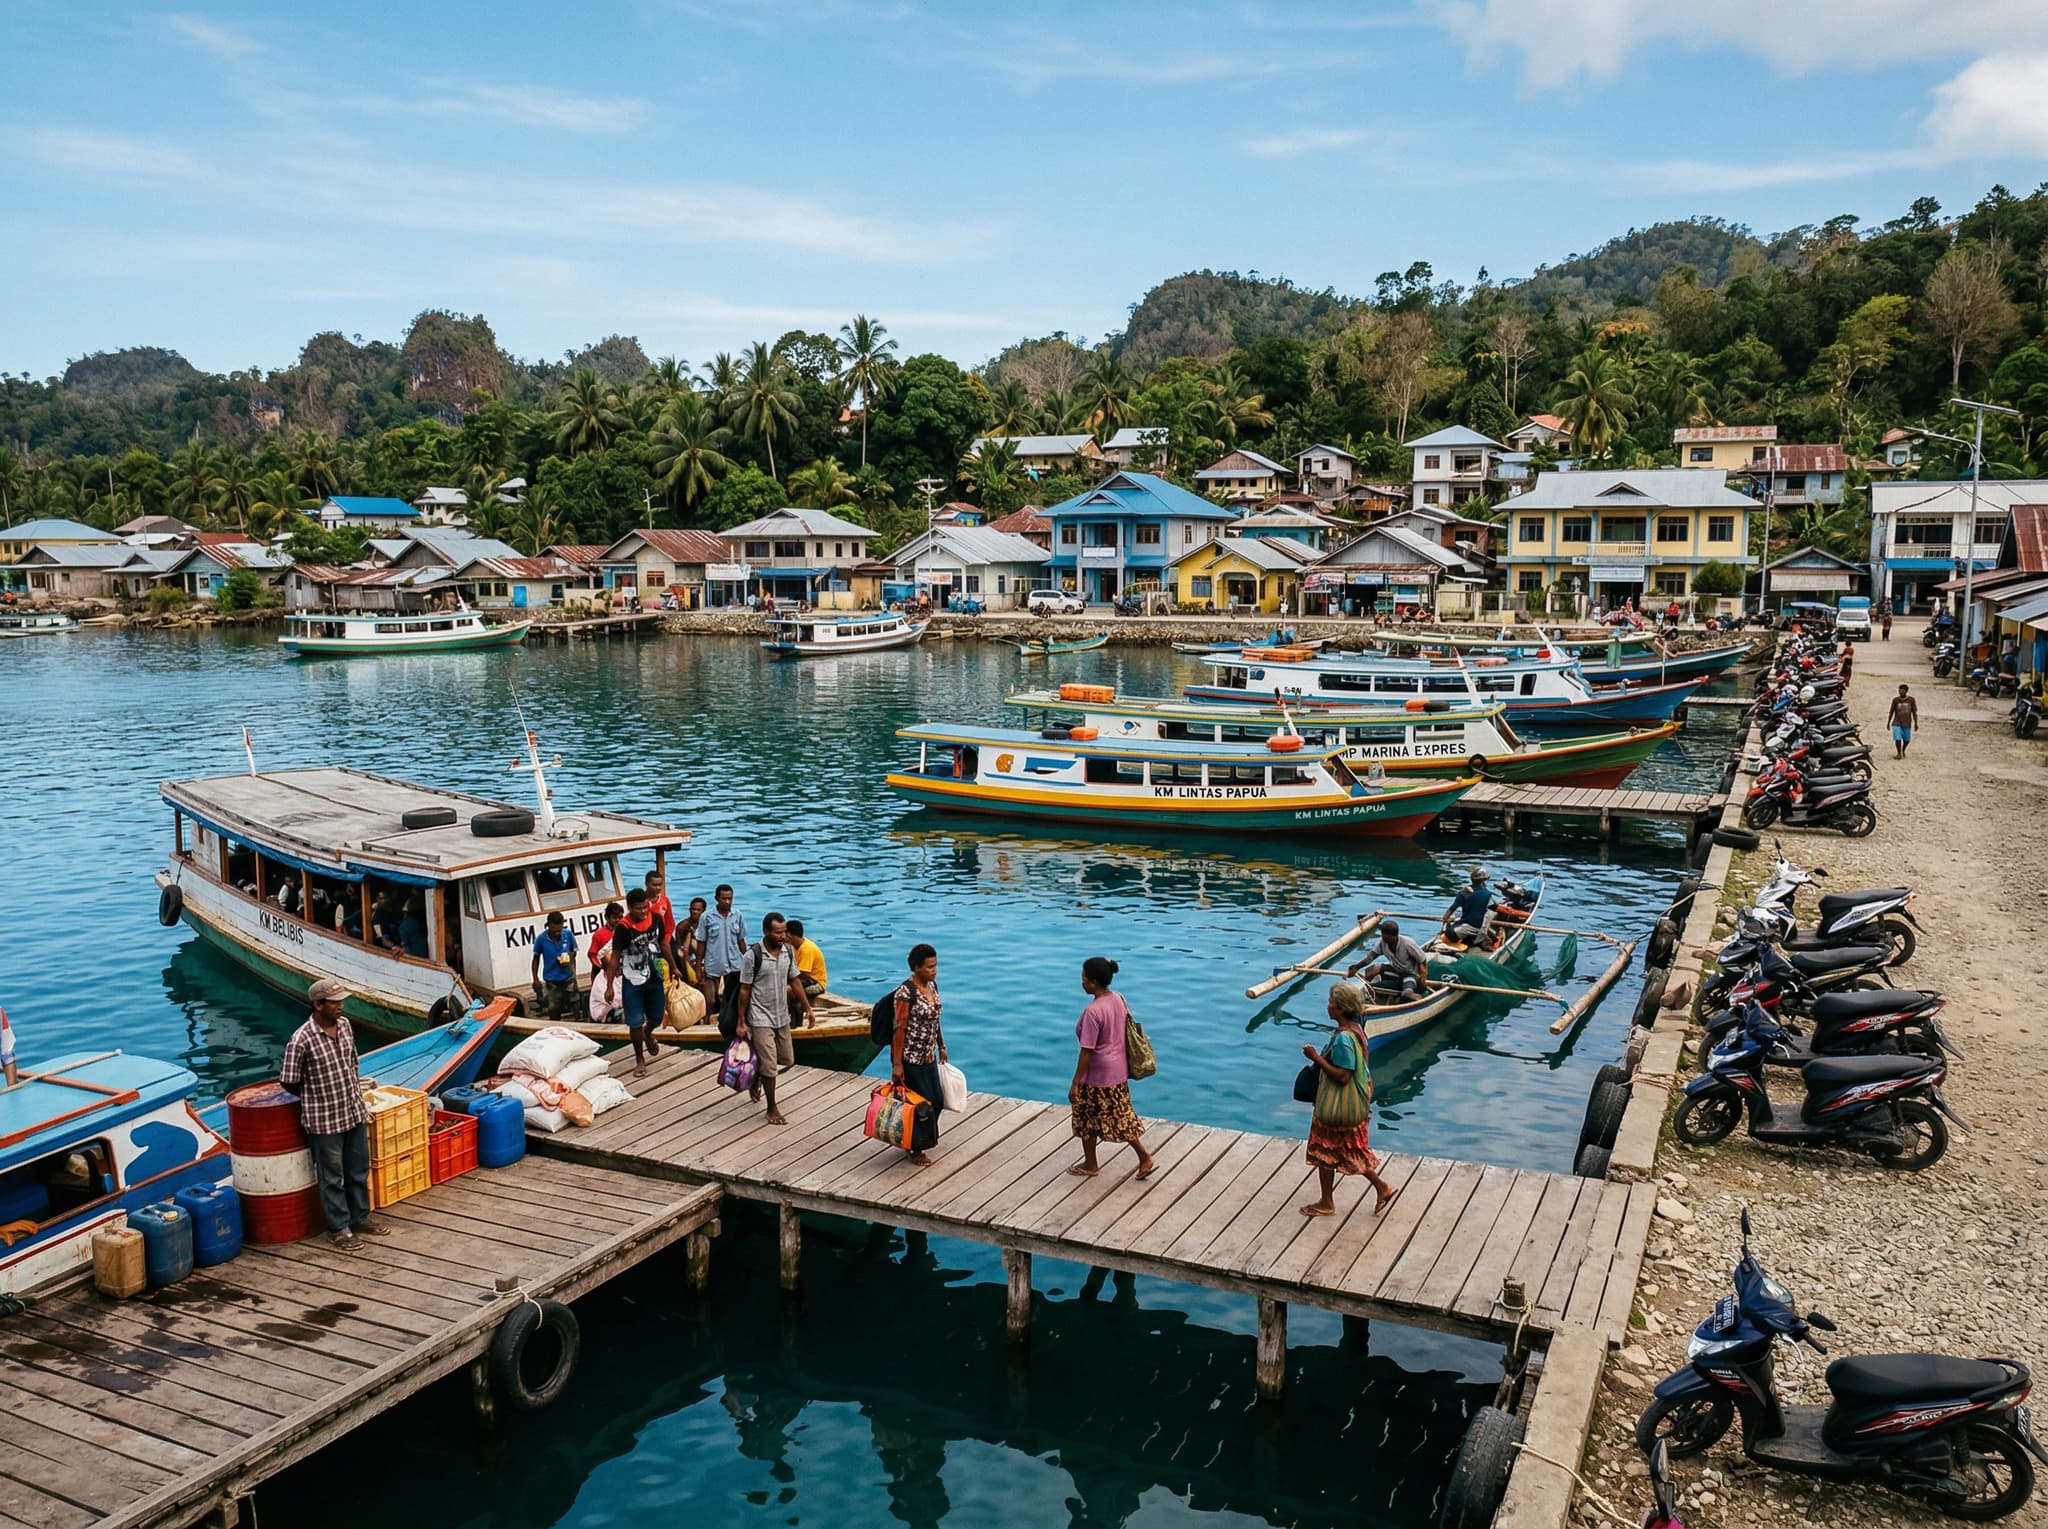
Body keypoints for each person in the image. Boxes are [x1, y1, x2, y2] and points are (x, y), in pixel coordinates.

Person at [279, 978, 387, 1251]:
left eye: (341, 1001)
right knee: (331, 1177)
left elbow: (352, 1064)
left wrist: (360, 1105)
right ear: (318, 1005)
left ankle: (360, 1217)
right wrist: (316, 1096)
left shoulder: (346, 1026)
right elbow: (289, 1081)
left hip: (352, 1111)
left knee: (358, 1169)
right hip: (324, 1119)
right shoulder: (301, 1039)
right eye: (334, 1002)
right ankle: (339, 1228)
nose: (340, 1006)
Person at [1299, 984, 1400, 1218]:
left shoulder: (1344, 1038)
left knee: (1325, 1148)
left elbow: (1344, 1075)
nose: (1328, 1006)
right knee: (1348, 1149)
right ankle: (1382, 1187)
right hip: (1353, 1103)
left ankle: (1327, 1202)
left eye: (1331, 1003)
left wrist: (1315, 1057)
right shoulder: (1356, 1029)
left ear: (1341, 1009)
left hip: (1338, 1104)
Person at [1067, 956, 1158, 1180]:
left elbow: (1087, 1051)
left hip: (1097, 1076)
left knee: (1086, 1117)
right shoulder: (1118, 999)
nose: (1082, 982)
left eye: (1084, 979)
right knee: (1120, 1116)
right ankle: (1136, 1157)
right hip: (1118, 1072)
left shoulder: (1093, 1012)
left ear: (1093, 983)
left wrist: (1076, 1082)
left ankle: (1096, 1164)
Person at [735, 911, 814, 1125]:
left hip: (782, 1014)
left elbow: (795, 981)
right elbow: (744, 989)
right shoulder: (753, 956)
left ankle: (757, 1077)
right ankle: (771, 1108)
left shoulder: (788, 951)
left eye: (784, 932)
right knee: (770, 1066)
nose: (783, 936)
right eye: (778, 933)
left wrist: (808, 1008)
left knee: (787, 1059)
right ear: (766, 932)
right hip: (760, 1016)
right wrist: (741, 1022)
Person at [890, 943, 948, 1167]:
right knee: (921, 1105)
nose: (934, 970)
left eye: (935, 965)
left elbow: (935, 1018)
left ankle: (920, 1139)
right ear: (916, 968)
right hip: (911, 1058)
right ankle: (913, 1147)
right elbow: (899, 1029)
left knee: (938, 1101)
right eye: (929, 967)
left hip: (929, 1056)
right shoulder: (906, 993)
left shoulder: (933, 987)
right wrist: (898, 1064)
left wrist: (941, 1045)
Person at [609, 888, 667, 1076]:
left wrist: (675, 967)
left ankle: (648, 1033)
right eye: (638, 909)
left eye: (645, 907)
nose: (643, 912)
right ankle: (640, 1060)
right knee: (634, 1021)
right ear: (630, 908)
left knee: (656, 1017)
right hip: (632, 979)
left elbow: (664, 943)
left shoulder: (656, 919)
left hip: (654, 975)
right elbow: (614, 957)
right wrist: (609, 986)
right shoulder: (623, 928)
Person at [698, 883, 750, 1038]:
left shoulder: (738, 915)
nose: (727, 902)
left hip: (734, 963)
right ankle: (706, 1023)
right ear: (716, 899)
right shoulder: (706, 917)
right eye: (724, 898)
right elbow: (701, 941)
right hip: (714, 963)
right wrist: (698, 965)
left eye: (730, 898)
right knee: (711, 999)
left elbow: (741, 940)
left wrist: (747, 958)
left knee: (732, 997)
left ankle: (728, 1022)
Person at [1344, 919, 1432, 1000]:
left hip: (1411, 975)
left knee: (1406, 994)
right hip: (1396, 970)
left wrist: (1423, 978)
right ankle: (1369, 992)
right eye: (1383, 935)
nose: (1384, 938)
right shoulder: (1382, 942)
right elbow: (1370, 958)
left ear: (1395, 936)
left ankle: (1419, 998)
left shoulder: (1408, 944)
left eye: (1387, 937)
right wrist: (1356, 967)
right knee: (1373, 969)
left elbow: (1423, 960)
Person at [530, 911, 580, 1019]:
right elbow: (535, 959)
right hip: (552, 980)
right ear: (548, 926)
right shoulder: (541, 939)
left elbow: (574, 951)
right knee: (553, 1009)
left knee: (576, 1003)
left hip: (568, 977)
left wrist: (569, 959)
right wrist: (535, 979)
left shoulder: (568, 935)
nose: (557, 933)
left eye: (559, 931)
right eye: (554, 931)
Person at [1442, 867, 1494, 950]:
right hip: (1477, 926)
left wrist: (1445, 918)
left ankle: (1473, 938)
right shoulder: (1487, 894)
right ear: (1483, 881)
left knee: (1449, 932)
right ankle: (1477, 938)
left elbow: (1452, 908)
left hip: (1466, 923)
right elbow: (1494, 908)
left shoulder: (1463, 892)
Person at [786, 918, 827, 1001]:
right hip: (804, 979)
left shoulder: (807, 949)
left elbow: (804, 974)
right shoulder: (795, 947)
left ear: (789, 936)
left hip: (816, 982)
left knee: (788, 990)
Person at [587, 901, 624, 971]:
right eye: (614, 918)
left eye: (620, 917)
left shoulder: (626, 930)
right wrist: (602, 969)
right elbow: (592, 955)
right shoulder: (599, 934)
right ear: (606, 918)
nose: (618, 920)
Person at [1887, 683, 1919, 759]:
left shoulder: (1911, 700)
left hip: (1907, 723)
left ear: (1906, 691)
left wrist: (1916, 723)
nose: (1900, 692)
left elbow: (1914, 712)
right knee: (1897, 738)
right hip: (1897, 722)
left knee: (1907, 739)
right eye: (1899, 690)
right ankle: (1898, 753)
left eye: (1902, 690)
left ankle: (1903, 749)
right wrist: (1888, 722)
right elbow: (1891, 711)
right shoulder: (1895, 700)